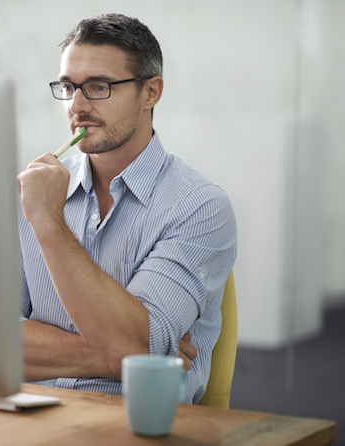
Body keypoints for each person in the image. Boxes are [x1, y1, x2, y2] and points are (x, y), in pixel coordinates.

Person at [16, 13, 237, 404]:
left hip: (139, 425)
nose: (77, 106)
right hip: (32, 415)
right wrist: (115, 357)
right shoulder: (30, 193)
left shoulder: (200, 207)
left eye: (98, 87)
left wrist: (49, 223)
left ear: (150, 93)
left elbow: (135, 345)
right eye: (68, 87)